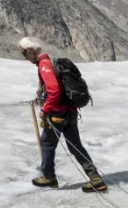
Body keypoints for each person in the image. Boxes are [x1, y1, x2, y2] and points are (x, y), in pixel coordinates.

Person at [18, 37, 106, 193]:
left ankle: (49, 176)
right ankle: (96, 179)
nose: (25, 58)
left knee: (47, 143)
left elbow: (54, 90)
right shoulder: (51, 61)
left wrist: (45, 110)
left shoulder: (44, 64)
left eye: (25, 54)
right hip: (70, 111)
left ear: (30, 51)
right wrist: (41, 99)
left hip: (57, 113)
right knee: (75, 146)